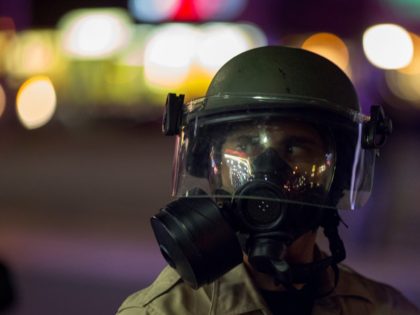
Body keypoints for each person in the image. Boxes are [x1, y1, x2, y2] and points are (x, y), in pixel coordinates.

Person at [116, 46, 419, 315]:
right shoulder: (158, 312)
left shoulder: (383, 308)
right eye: (245, 145)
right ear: (213, 168)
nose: (267, 168)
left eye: (295, 147)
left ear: (337, 175)